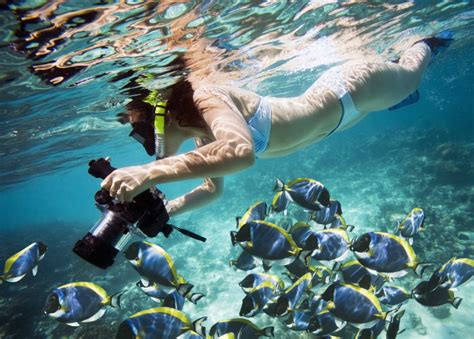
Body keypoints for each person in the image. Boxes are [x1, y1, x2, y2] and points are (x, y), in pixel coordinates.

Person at [101, 33, 453, 216]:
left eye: (140, 130)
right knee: (395, 96)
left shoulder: (206, 96)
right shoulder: (202, 140)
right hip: (344, 120)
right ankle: (394, 92)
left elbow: (241, 153)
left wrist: (150, 174)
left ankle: (427, 41)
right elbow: (212, 189)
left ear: (161, 113)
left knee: (411, 76)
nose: (145, 142)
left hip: (352, 91)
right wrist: (167, 208)